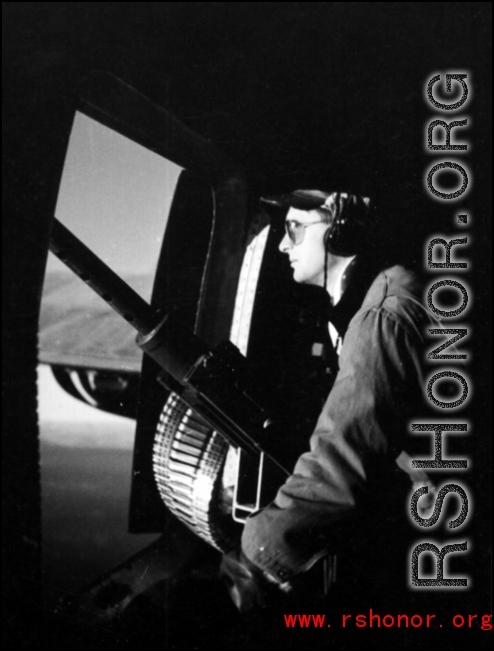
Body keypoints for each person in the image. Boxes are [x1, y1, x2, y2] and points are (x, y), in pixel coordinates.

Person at [220, 189, 433, 615]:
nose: (283, 245)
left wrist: (262, 549)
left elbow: (342, 458)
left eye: (294, 230)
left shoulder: (381, 315)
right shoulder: (377, 296)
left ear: (341, 229)